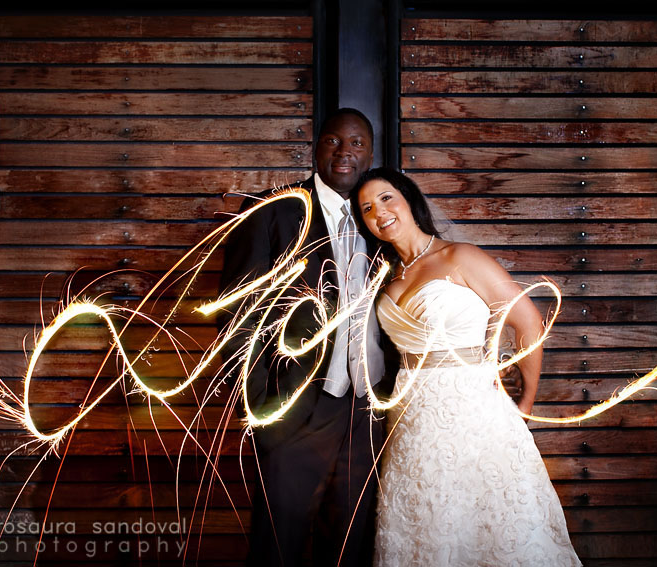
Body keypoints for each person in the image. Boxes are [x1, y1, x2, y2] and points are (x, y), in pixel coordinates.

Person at [352, 168, 581, 566]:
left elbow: (527, 321)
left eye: (387, 198)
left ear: (408, 200)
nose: (379, 212)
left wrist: (526, 401)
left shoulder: (460, 256)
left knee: (490, 523)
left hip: (473, 412)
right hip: (411, 418)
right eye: (368, 207)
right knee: (424, 522)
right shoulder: (386, 282)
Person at [218, 109, 391, 567]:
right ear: (315, 147)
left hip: (367, 413)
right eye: (333, 141)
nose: (344, 152)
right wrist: (262, 405)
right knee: (280, 542)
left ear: (370, 153)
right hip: (296, 406)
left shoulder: (384, 221)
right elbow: (238, 313)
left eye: (356, 144)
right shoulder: (274, 211)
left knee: (351, 543)